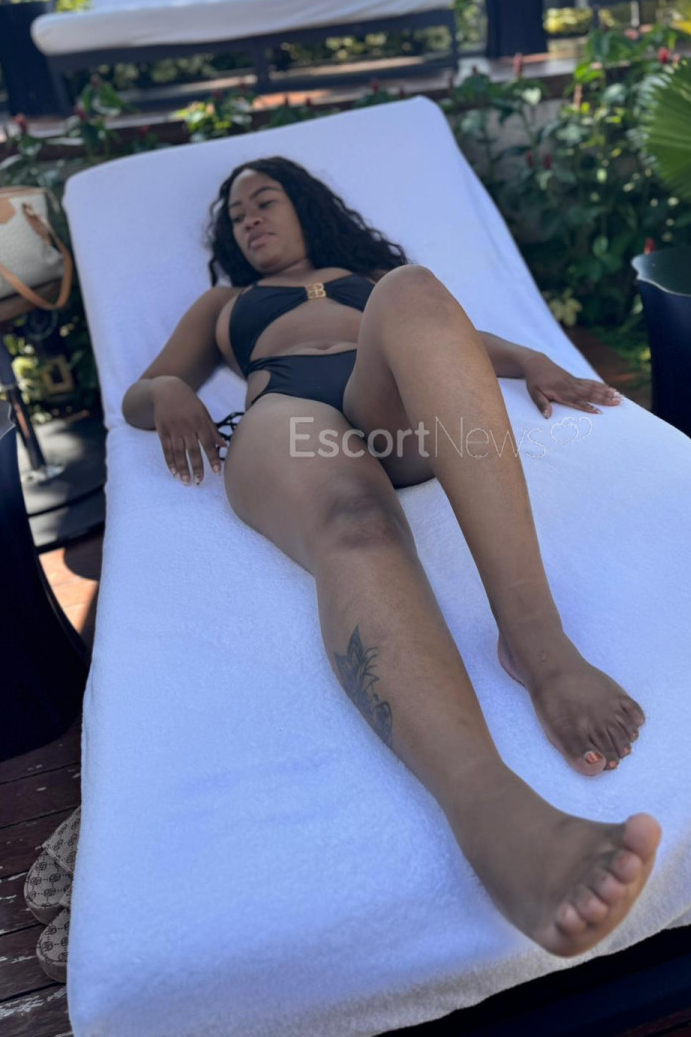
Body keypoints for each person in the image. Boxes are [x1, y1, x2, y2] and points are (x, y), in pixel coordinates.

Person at [121, 156, 662, 957]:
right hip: (288, 410)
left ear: (306, 208)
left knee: (412, 289)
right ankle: (496, 818)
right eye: (237, 215)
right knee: (354, 523)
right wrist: (169, 390)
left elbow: (459, 340)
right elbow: (145, 388)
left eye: (265, 200)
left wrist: (534, 361)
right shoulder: (223, 304)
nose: (251, 218)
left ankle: (539, 646)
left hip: (388, 399)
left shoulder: (367, 279)